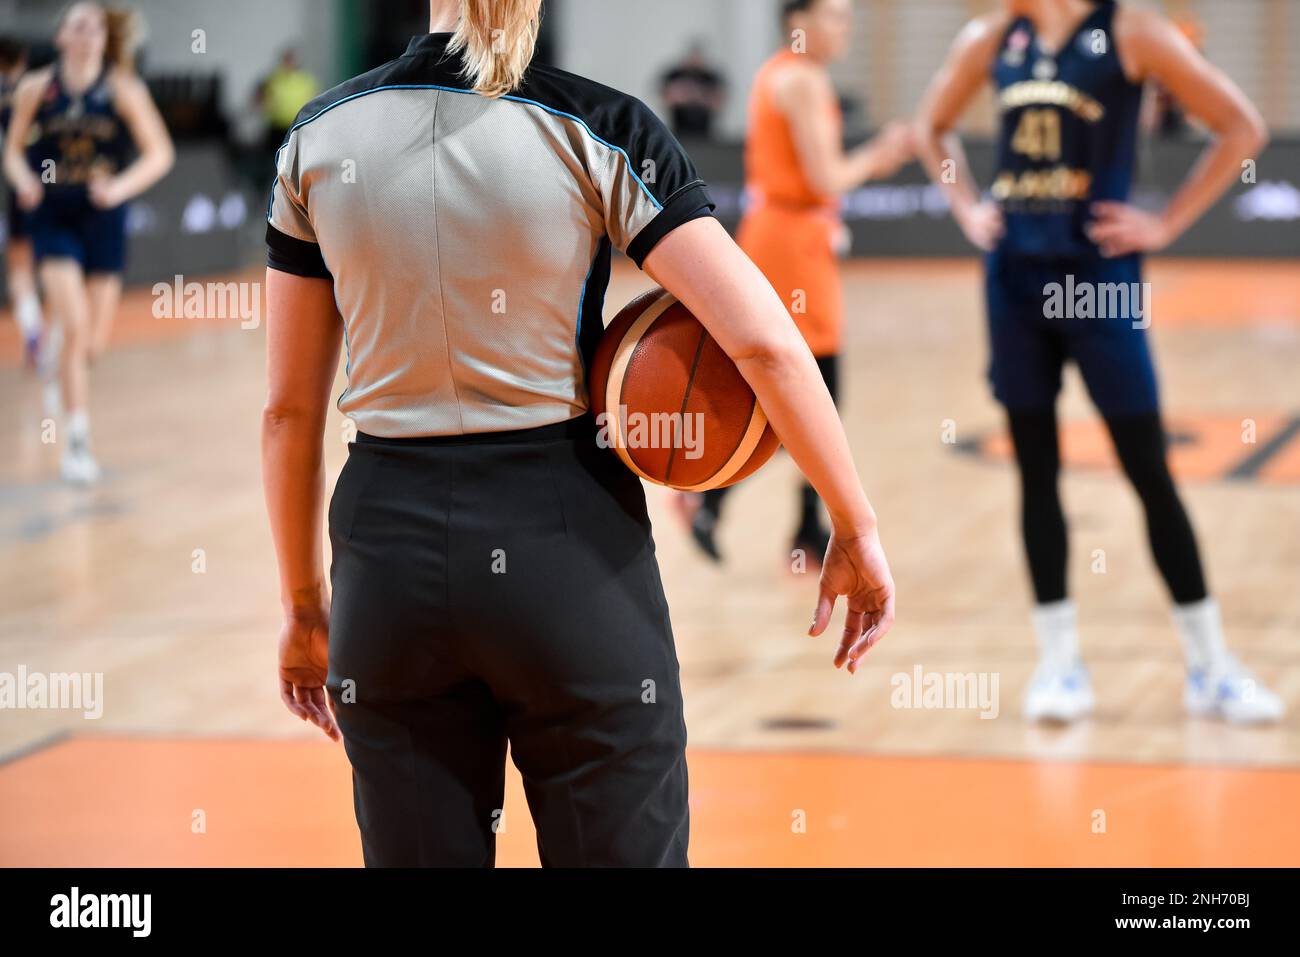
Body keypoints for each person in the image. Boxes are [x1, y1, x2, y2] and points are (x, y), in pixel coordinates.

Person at [263, 0, 895, 867]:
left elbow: (288, 413)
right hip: (563, 540)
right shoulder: (599, 126)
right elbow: (765, 345)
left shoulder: (316, 137)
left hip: (385, 556)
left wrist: (304, 606)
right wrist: (852, 521)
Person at [914, 0, 1283, 723]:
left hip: (1099, 279)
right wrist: (966, 207)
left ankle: (1210, 665)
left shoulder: (1132, 30)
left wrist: (1166, 222)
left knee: (1148, 469)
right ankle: (1059, 663)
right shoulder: (992, 36)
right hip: (1015, 282)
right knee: (1036, 471)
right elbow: (929, 126)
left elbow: (1243, 126)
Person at [680, 0, 913, 568]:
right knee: (815, 395)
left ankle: (794, 523)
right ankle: (724, 502)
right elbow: (827, 177)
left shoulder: (777, 73)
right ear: (797, 20)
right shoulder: (803, 80)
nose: (844, 27)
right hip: (792, 248)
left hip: (784, 238)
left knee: (799, 394)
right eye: (834, 15)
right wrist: (878, 156)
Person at [2, 3, 174, 484]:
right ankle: (76, 445)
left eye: (96, 27)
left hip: (103, 217)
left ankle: (60, 354)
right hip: (53, 214)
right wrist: (24, 182)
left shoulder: (122, 89)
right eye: (78, 26)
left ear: (104, 37)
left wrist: (119, 188)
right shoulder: (37, 87)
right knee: (76, 327)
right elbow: (11, 152)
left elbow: (160, 153)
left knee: (92, 344)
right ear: (60, 37)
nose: (88, 34)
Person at [0, 36, 43, 370]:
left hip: (24, 190)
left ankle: (34, 330)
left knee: (20, 267)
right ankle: (47, 335)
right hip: (52, 187)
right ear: (23, 57)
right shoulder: (45, 91)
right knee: (55, 263)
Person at [658, 40, 725, 140]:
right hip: (678, 131)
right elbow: (666, 98)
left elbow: (718, 101)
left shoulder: (711, 78)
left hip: (705, 132)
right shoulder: (674, 75)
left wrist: (699, 98)